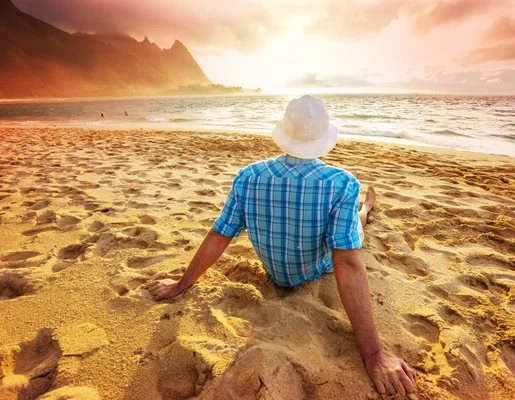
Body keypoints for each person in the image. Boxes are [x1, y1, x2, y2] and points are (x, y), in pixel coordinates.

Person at [147, 95, 415, 396]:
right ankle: (364, 210)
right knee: (354, 229)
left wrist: (180, 285)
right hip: (318, 266)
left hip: (277, 273)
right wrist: (374, 355)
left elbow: (218, 236)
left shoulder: (248, 177)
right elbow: (346, 263)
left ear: (284, 133)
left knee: (355, 221)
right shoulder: (342, 183)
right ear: (324, 139)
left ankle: (364, 210)